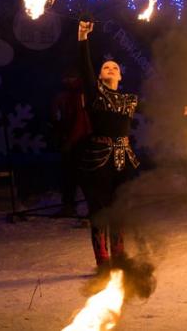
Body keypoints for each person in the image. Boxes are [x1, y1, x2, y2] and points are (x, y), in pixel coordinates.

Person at [77, 19, 139, 272]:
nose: (110, 68)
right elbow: (84, 66)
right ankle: (103, 262)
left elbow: (158, 109)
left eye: (114, 67)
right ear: (100, 76)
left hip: (124, 159)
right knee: (100, 211)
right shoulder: (95, 94)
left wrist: (185, 109)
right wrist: (82, 36)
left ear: (121, 75)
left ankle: (120, 257)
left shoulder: (129, 100)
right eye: (105, 67)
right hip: (98, 160)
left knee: (119, 208)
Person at [50, 67, 91, 217]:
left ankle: (93, 209)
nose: (65, 80)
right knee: (68, 174)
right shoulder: (67, 94)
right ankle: (68, 206)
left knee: (83, 175)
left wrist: (71, 141)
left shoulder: (80, 92)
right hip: (72, 138)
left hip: (81, 140)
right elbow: (61, 117)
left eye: (68, 77)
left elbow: (81, 120)